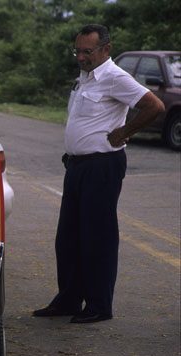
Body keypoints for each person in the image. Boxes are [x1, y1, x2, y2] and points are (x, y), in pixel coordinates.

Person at [33, 24, 165, 324]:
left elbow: (153, 106)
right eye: (77, 51)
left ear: (106, 50)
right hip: (77, 165)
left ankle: (98, 305)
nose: (81, 57)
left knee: (97, 236)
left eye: (87, 52)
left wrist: (125, 131)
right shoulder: (86, 77)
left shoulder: (115, 77)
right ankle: (68, 299)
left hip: (102, 166)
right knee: (68, 237)